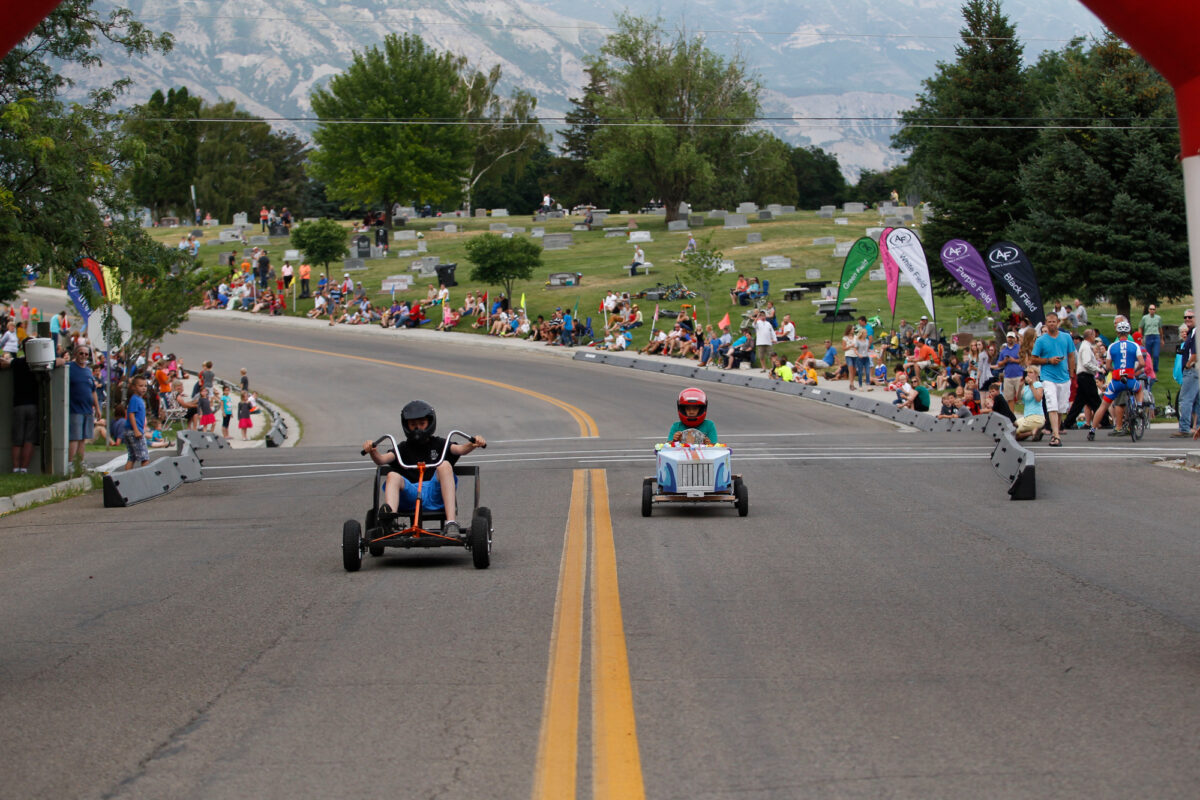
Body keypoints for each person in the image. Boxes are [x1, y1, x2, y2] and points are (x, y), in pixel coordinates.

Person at [363, 400, 487, 538]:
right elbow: (381, 460)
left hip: (435, 493)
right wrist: (372, 451)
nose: (417, 428)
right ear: (406, 426)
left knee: (445, 465)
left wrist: (473, 444)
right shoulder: (402, 448)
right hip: (411, 494)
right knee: (392, 475)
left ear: (430, 423)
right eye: (413, 425)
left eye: (422, 424)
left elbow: (460, 449)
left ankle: (451, 523)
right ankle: (388, 519)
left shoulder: (440, 444)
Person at [1087, 319, 1147, 440]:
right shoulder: (1134, 345)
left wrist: (1115, 370)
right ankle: (1140, 407)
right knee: (1139, 389)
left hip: (1116, 380)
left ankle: (1092, 431)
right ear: (1128, 332)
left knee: (1104, 405)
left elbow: (1108, 366)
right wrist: (1134, 370)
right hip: (1130, 378)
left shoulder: (1112, 347)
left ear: (1117, 333)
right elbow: (1142, 363)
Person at [1030, 314, 1074, 447]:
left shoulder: (1066, 337)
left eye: (1054, 322)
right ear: (1046, 323)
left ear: (1058, 322)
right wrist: (1048, 360)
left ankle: (1056, 431)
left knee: (1061, 408)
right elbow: (1033, 359)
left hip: (1064, 377)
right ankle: (1056, 435)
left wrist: (1072, 373)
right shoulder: (1041, 340)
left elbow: (1071, 355)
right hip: (1048, 377)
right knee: (1052, 405)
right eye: (1049, 322)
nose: (1052, 324)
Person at [67, 344, 100, 470]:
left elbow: (93, 391)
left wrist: (97, 408)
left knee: (83, 438)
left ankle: (79, 463)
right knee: (75, 437)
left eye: (86, 354)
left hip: (88, 410)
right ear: (76, 354)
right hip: (75, 409)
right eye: (81, 353)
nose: (84, 356)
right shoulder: (69, 367)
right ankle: (70, 464)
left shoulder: (88, 371)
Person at [1174, 310, 1198, 437]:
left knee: (1185, 399)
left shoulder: (1195, 333)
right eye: (1185, 317)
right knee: (1197, 401)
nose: (1187, 319)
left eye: (1190, 317)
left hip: (1192, 370)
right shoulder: (1191, 333)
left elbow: (1195, 353)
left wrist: (1188, 365)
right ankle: (1197, 427)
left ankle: (1184, 428)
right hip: (1195, 371)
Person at [123, 374, 149, 470]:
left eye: (145, 386)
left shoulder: (139, 399)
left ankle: (127, 475)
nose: (144, 388)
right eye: (141, 386)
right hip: (134, 431)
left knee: (132, 457)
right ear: (134, 387)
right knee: (145, 458)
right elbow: (131, 415)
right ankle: (145, 476)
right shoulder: (135, 399)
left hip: (131, 430)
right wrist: (136, 430)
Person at [1014, 366, 1046, 441]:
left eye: (1031, 372)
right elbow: (1018, 399)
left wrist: (1031, 385)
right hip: (1027, 416)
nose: (1028, 374)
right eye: (1027, 372)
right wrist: (1020, 386)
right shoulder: (1026, 387)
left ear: (1036, 374)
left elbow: (1038, 398)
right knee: (1012, 426)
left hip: (1036, 417)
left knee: (1012, 433)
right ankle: (1032, 432)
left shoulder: (1038, 384)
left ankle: (1032, 431)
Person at [1139, 303, 1163, 379]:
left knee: (1156, 355)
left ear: (1155, 310)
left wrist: (1162, 338)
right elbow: (1140, 327)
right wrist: (1140, 337)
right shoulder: (1145, 318)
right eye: (1151, 309)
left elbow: (1160, 328)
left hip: (1156, 336)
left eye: (1153, 309)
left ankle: (1155, 370)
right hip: (1148, 336)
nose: (1152, 310)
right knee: (1147, 355)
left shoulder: (1158, 318)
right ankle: (1147, 369)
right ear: (1148, 310)